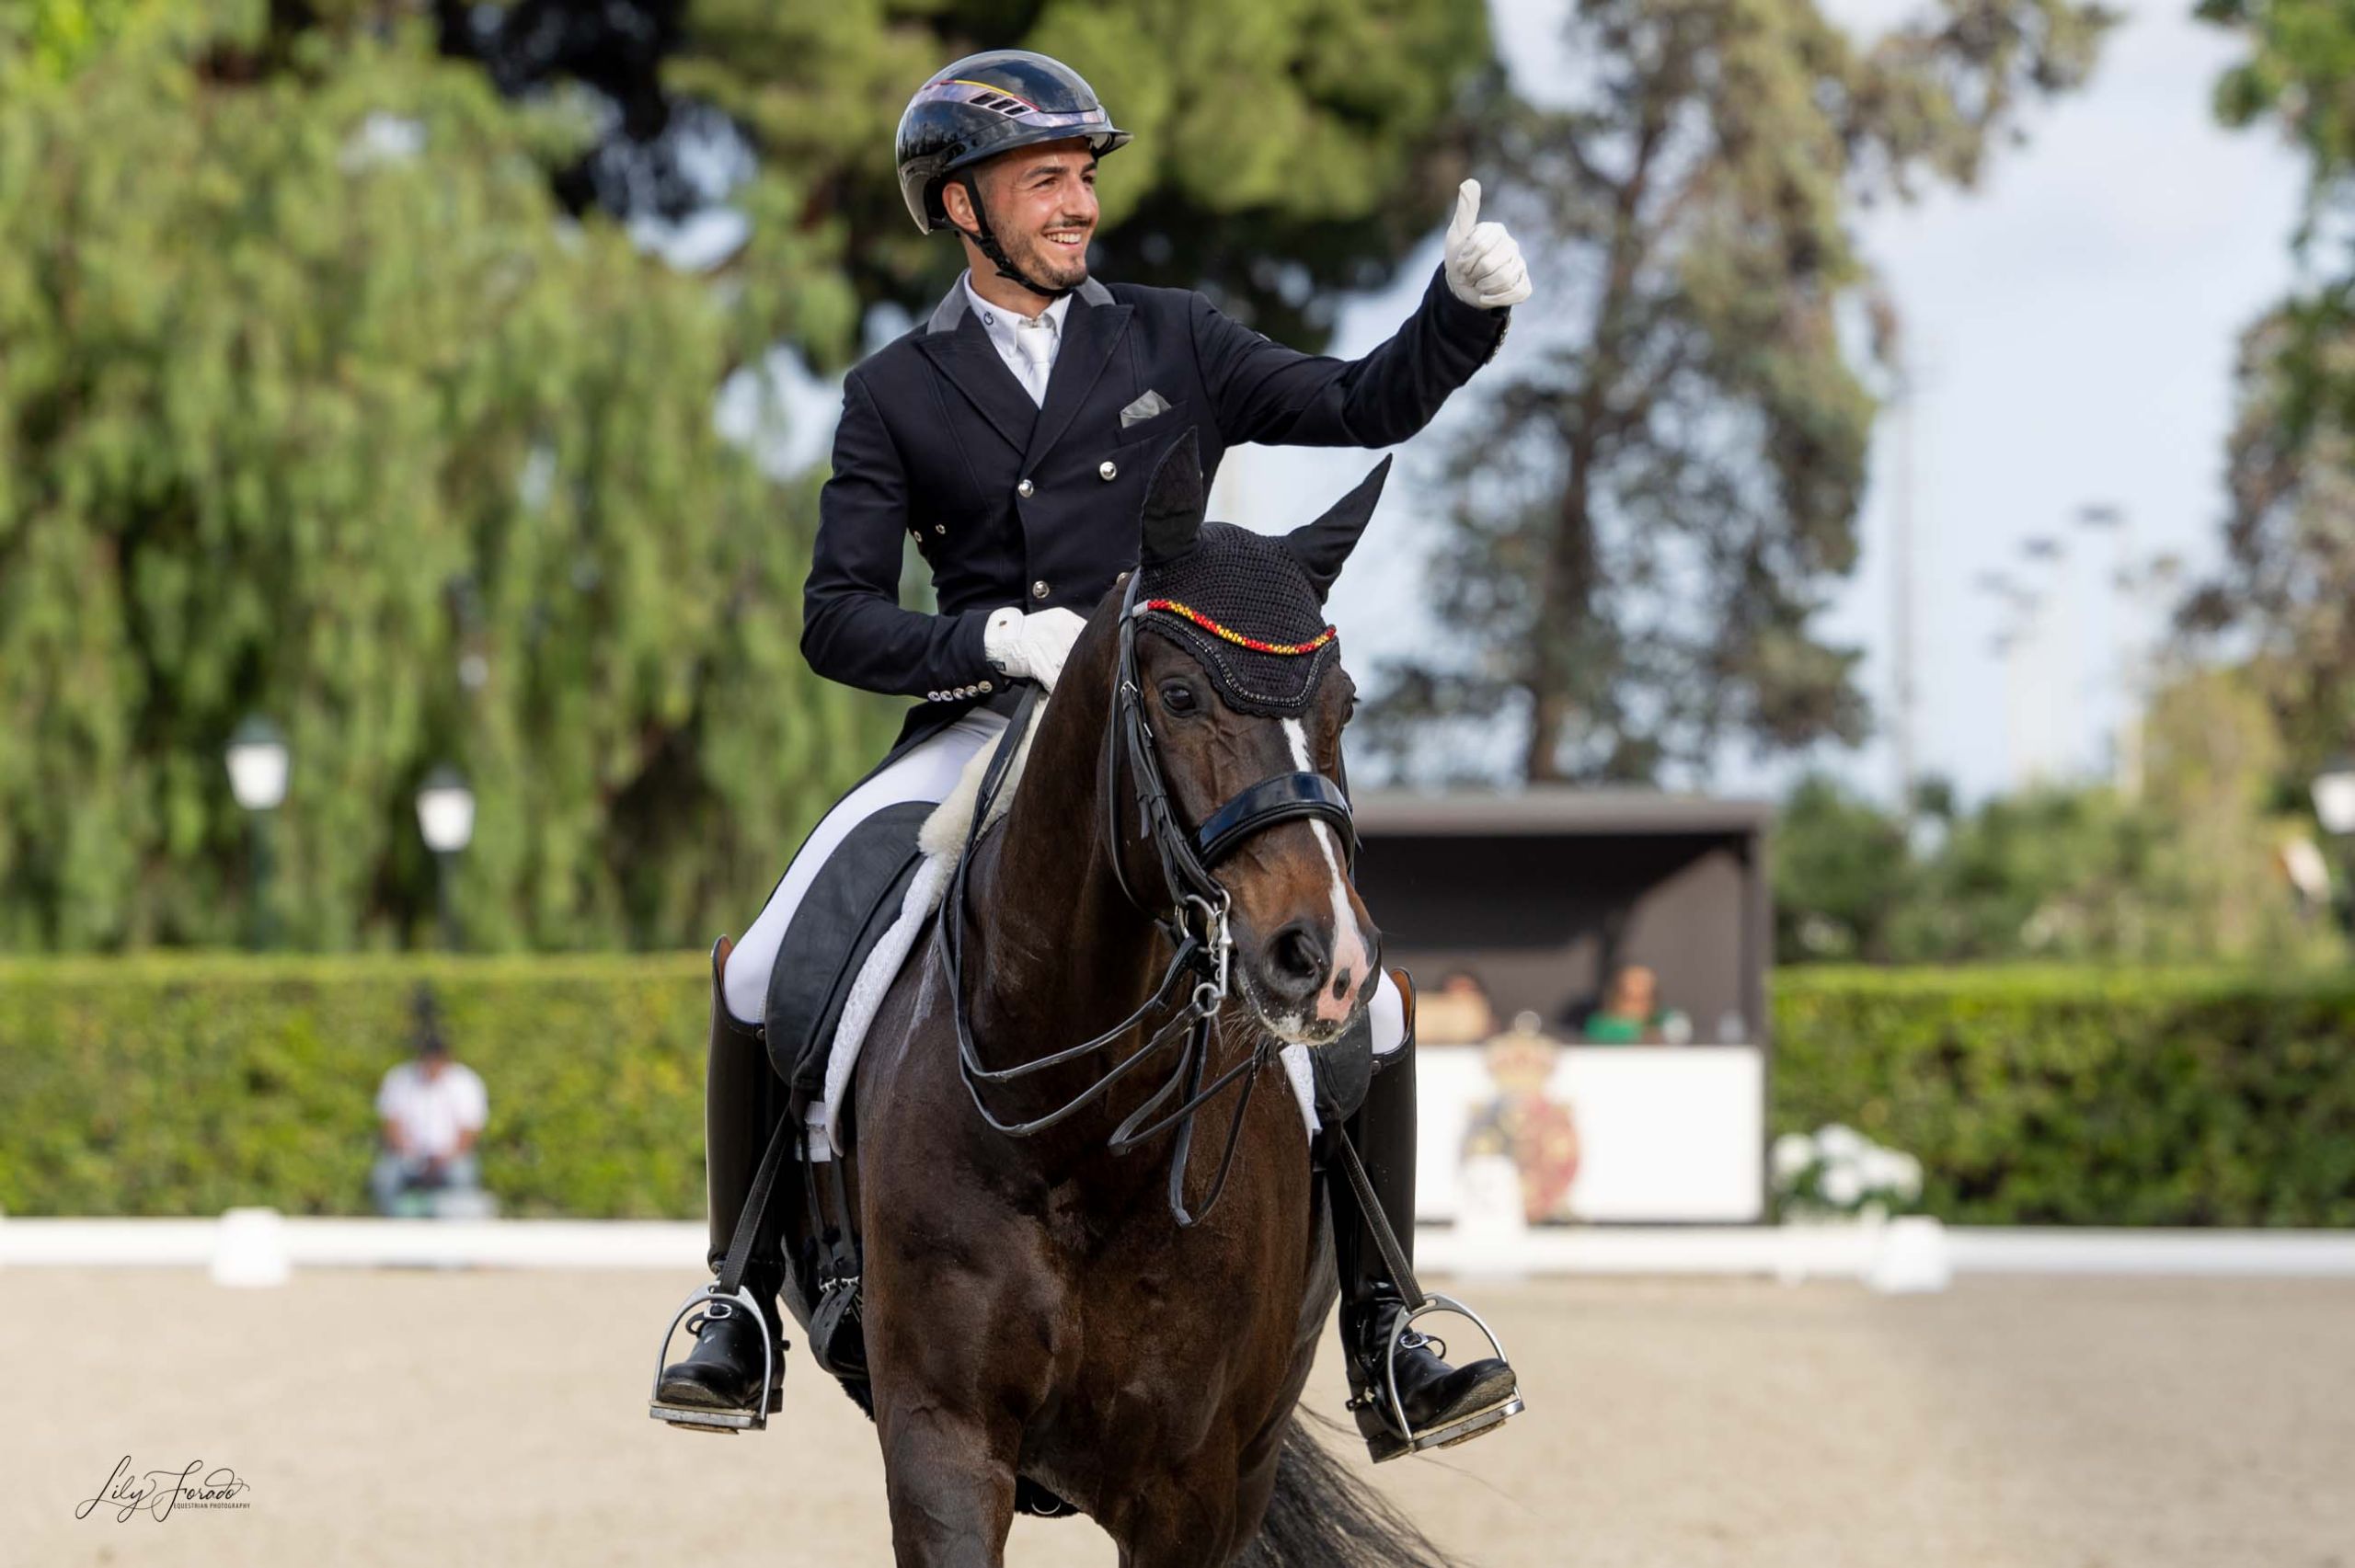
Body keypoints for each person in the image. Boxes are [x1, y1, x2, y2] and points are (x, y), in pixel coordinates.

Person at [651, 47, 1533, 1460]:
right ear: (960, 207)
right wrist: (990, 642)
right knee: (764, 962)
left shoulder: (1171, 337)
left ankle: (1388, 1323)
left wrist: (1461, 317)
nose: (1079, 205)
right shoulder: (897, 391)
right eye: (1046, 179)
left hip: (1164, 728)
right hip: (984, 726)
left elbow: (1358, 403)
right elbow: (836, 617)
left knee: (1369, 1003)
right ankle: (737, 1297)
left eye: (1084, 178)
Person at [369, 994, 488, 1218]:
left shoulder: (464, 1082)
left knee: (463, 1174)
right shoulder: (400, 1078)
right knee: (385, 1176)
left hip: (451, 1156)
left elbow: (469, 1130)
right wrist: (409, 1151)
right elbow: (391, 1122)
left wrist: (446, 1156)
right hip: (409, 1154)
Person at [1581, 963, 1689, 1044]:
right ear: (1616, 997)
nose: (1638, 1007)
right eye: (1631, 999)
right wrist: (1643, 1035)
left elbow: (1679, 1026)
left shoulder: (1661, 1019)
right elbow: (1602, 1030)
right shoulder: (1599, 1024)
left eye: (1645, 998)